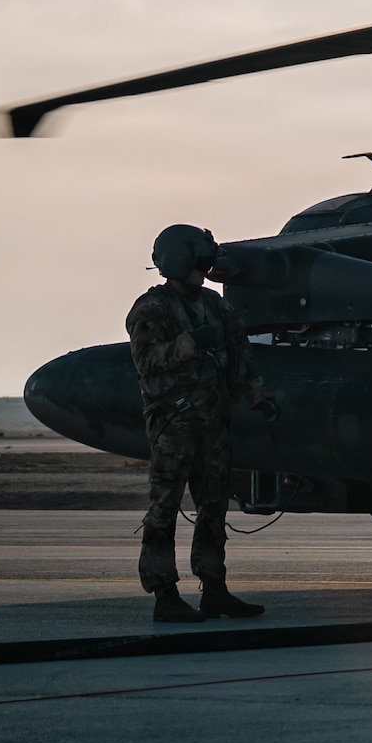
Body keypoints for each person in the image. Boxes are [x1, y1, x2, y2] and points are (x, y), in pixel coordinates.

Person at [126, 224, 277, 622]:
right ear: (180, 261)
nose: (205, 271)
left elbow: (241, 354)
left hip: (213, 423)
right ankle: (164, 595)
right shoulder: (150, 309)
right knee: (165, 509)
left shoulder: (215, 305)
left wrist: (258, 395)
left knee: (213, 508)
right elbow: (146, 361)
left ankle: (214, 589)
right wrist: (189, 343)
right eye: (199, 263)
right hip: (174, 425)